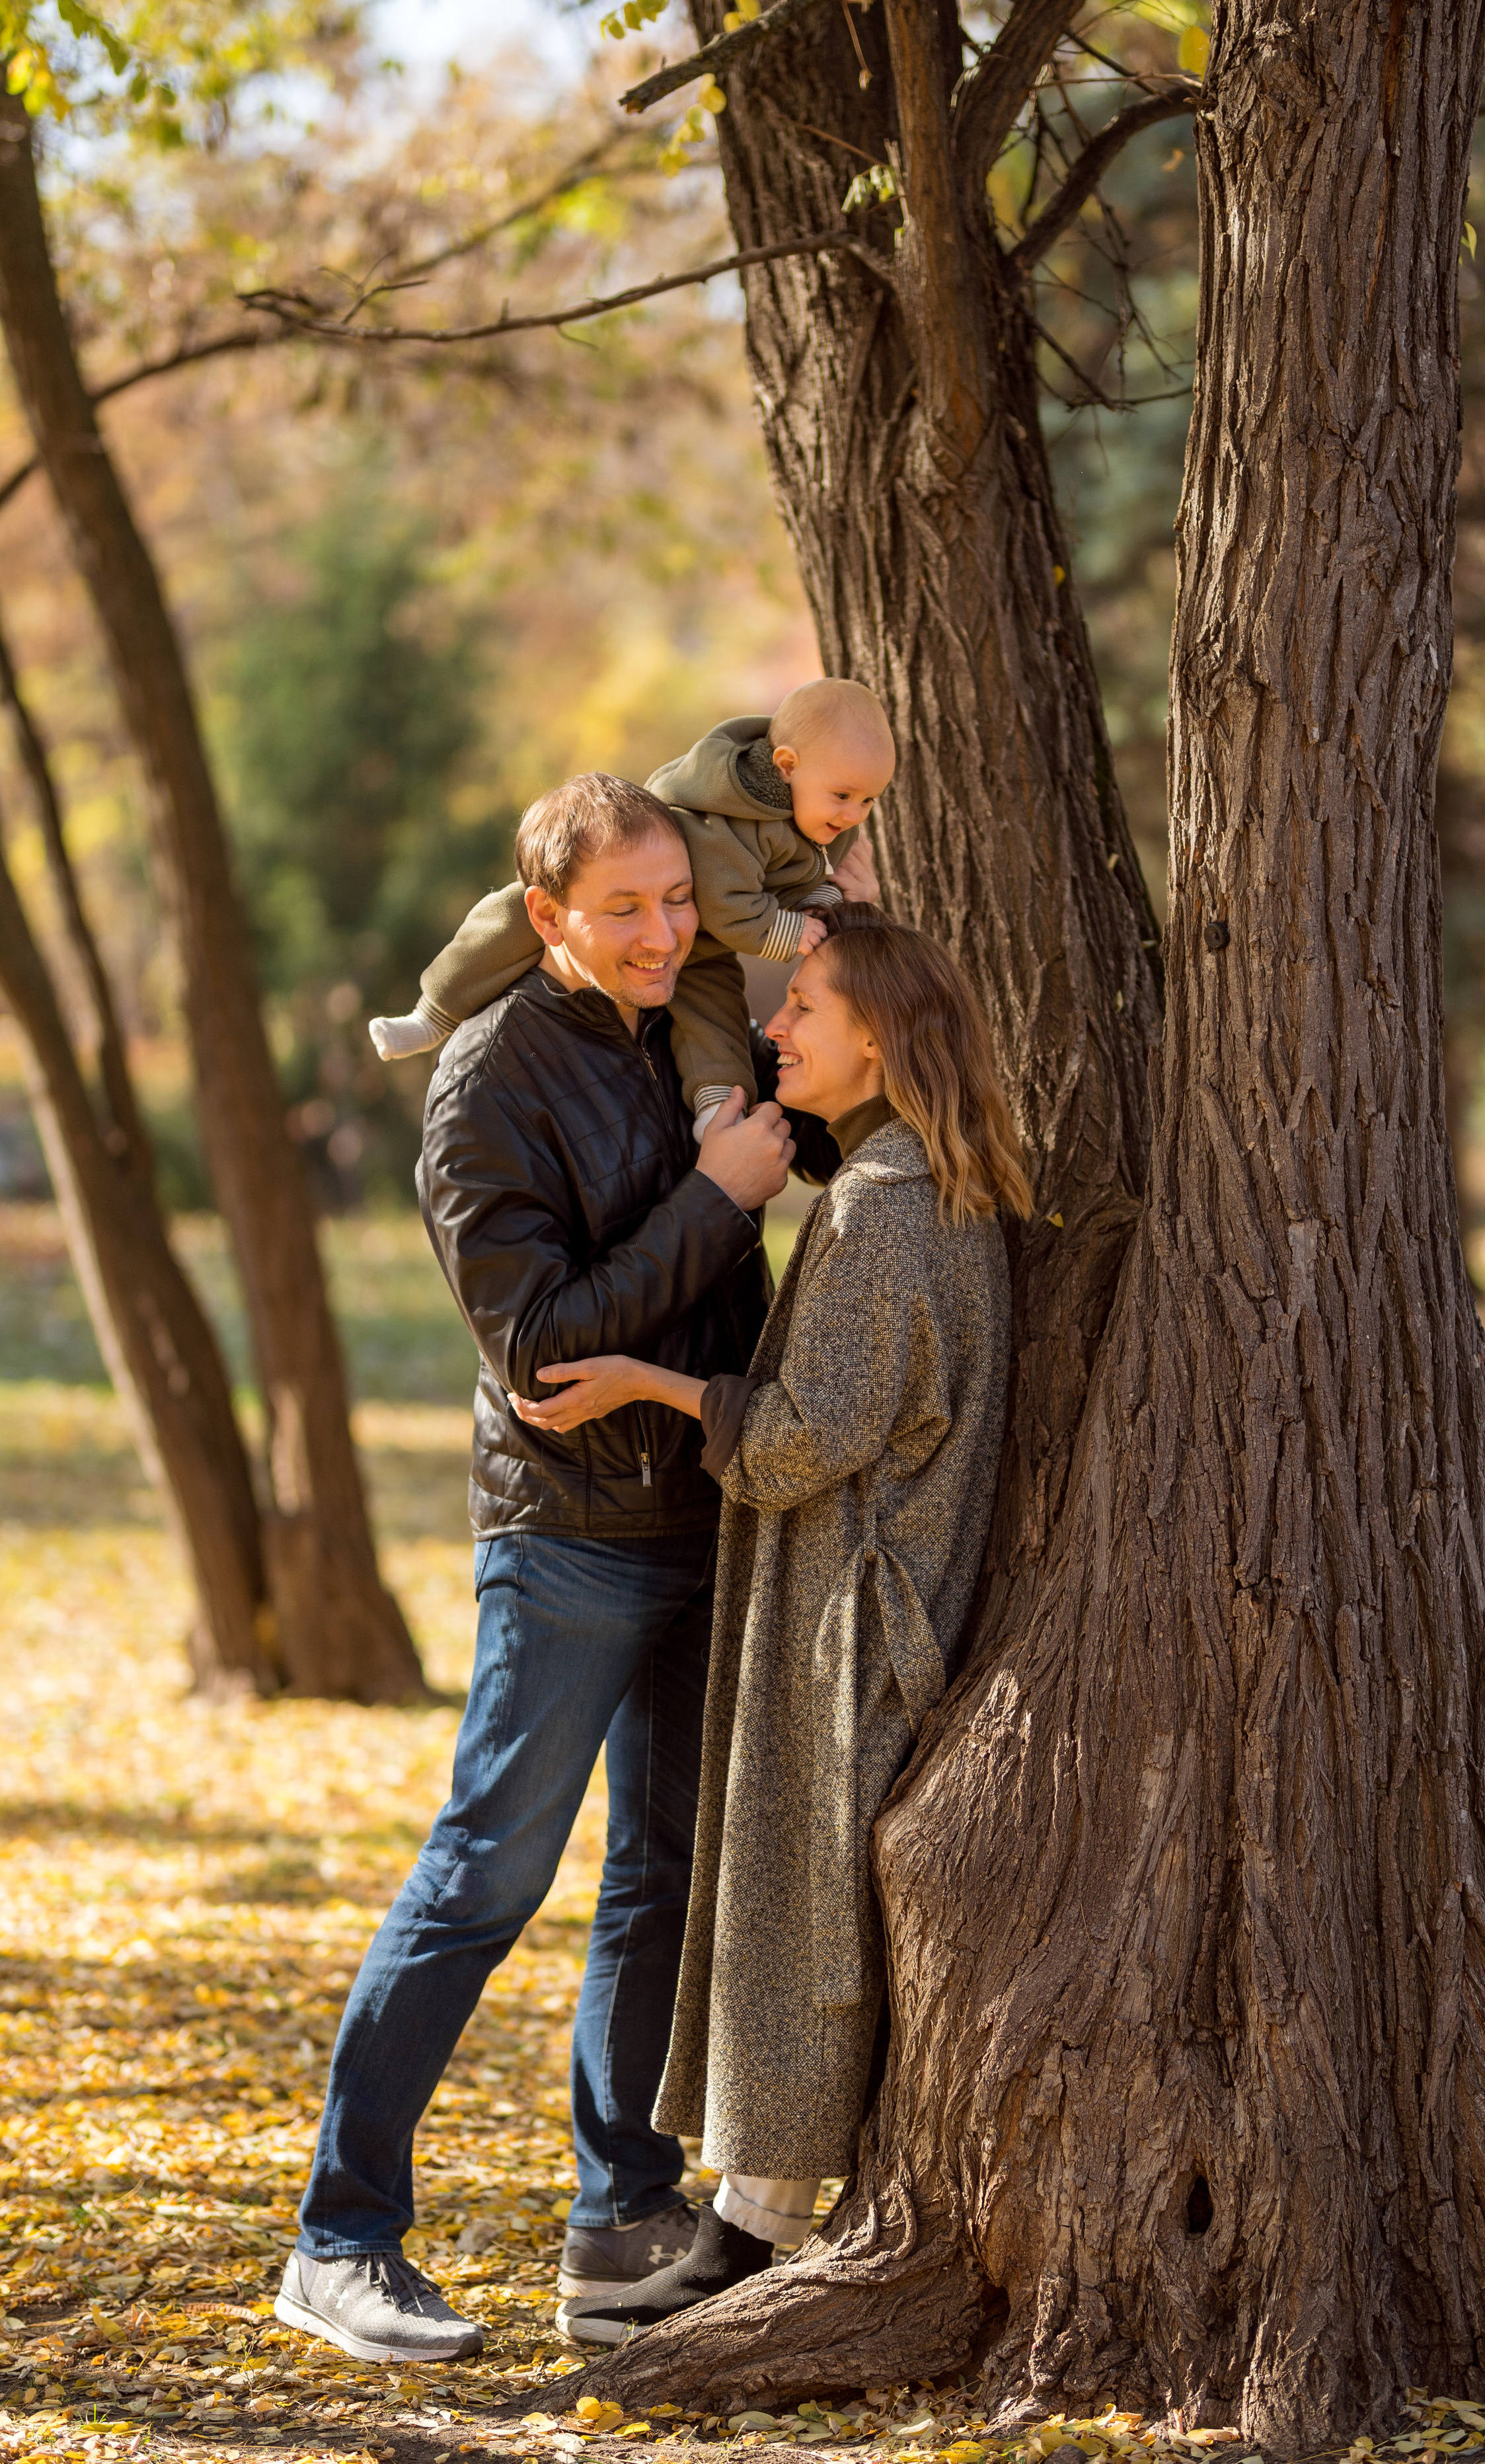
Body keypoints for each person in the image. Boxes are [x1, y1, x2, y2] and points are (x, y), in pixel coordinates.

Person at [274, 773, 837, 2366]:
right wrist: (717, 1204)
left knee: (662, 1878)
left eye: (677, 899)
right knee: (485, 1874)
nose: (661, 934)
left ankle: (620, 2220)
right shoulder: (487, 1080)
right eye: (622, 910)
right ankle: (339, 2239)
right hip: (569, 1530)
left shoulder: (689, 1028)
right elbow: (538, 1348)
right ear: (546, 919)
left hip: (706, 1514)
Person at [503, 907, 1031, 2341]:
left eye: (805, 1005)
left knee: (800, 1923)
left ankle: (751, 2233)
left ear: (883, 1040)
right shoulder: (918, 1185)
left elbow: (801, 1441)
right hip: (870, 1604)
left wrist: (646, 1383)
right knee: (799, 1915)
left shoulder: (881, 1209)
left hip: (852, 1625)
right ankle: (756, 2216)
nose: (775, 1027)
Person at [368, 677, 894, 1137]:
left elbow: (838, 1143)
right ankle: (434, 1012)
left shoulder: (827, 823)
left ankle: (717, 1105)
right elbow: (731, 904)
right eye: (625, 911)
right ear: (787, 766)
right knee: (501, 920)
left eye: (869, 801)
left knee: (716, 1016)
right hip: (732, 921)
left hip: (711, 949)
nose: (855, 814)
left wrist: (846, 907)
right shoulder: (488, 1081)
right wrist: (718, 1191)